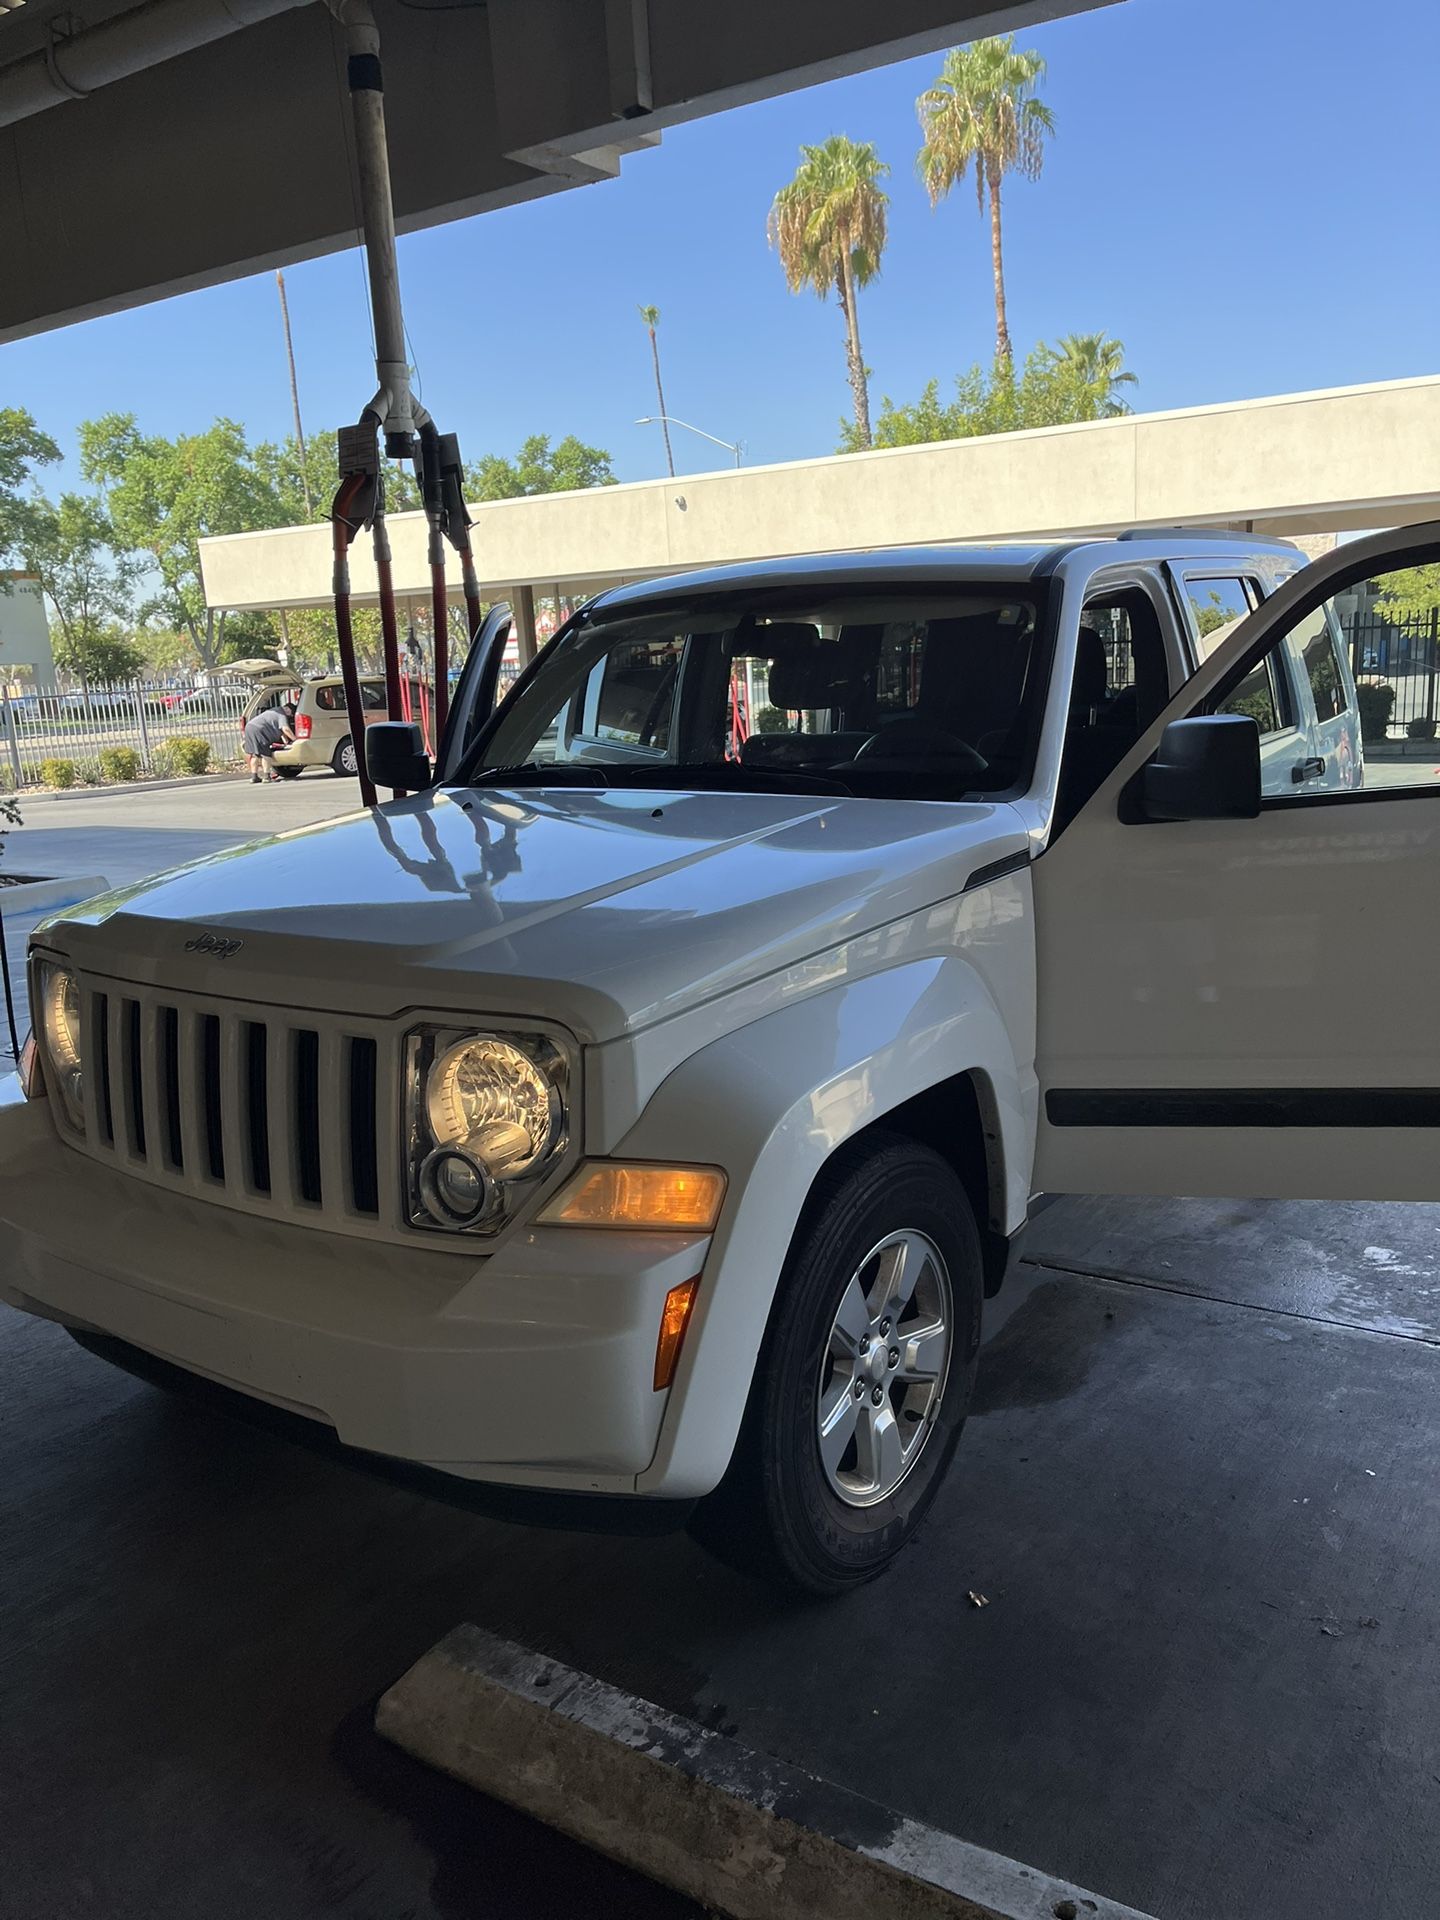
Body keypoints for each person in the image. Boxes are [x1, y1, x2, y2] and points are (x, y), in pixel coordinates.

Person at [242, 704, 294, 783]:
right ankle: (266, 776)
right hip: (259, 730)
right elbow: (285, 729)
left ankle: (254, 777)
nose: (290, 715)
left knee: (255, 754)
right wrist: (295, 739)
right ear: (287, 709)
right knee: (266, 754)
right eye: (291, 713)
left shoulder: (274, 711)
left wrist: (285, 741)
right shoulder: (281, 714)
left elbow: (281, 730)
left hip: (249, 727)